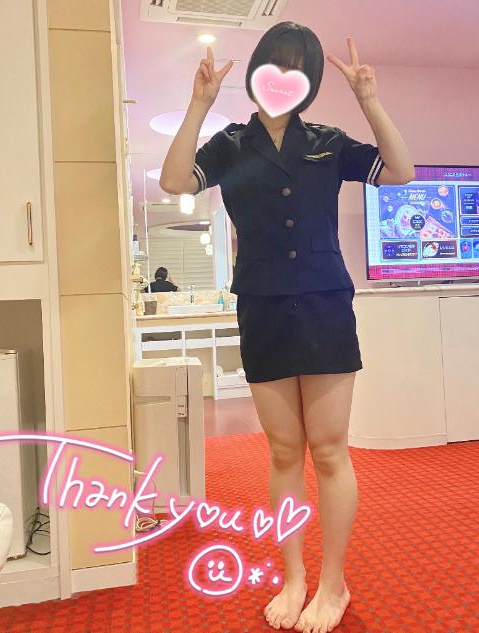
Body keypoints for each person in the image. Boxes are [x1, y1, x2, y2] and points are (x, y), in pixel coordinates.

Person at [160, 22, 414, 632]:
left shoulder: (328, 141)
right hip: (264, 306)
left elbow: (400, 172)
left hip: (325, 304)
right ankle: (294, 575)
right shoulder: (229, 145)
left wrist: (369, 99)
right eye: (274, 65)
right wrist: (198, 104)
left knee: (328, 450)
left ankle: (334, 583)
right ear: (255, 73)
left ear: (310, 83)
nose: (283, 78)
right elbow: (173, 181)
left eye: (297, 69)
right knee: (281, 451)